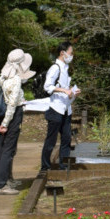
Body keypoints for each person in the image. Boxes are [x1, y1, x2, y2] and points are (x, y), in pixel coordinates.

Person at [0, 49, 34, 194]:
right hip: (11, 117)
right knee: (8, 150)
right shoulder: (15, 79)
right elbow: (11, 104)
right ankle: (1, 184)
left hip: (1, 116)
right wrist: (6, 123)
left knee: (1, 149)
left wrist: (2, 122)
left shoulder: (2, 77)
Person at [40, 40, 80, 172]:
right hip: (55, 109)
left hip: (66, 109)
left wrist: (72, 92)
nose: (72, 55)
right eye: (70, 52)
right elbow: (47, 87)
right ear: (63, 53)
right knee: (51, 140)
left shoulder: (66, 68)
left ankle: (63, 165)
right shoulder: (55, 68)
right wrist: (64, 90)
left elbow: (64, 87)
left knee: (66, 138)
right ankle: (45, 167)